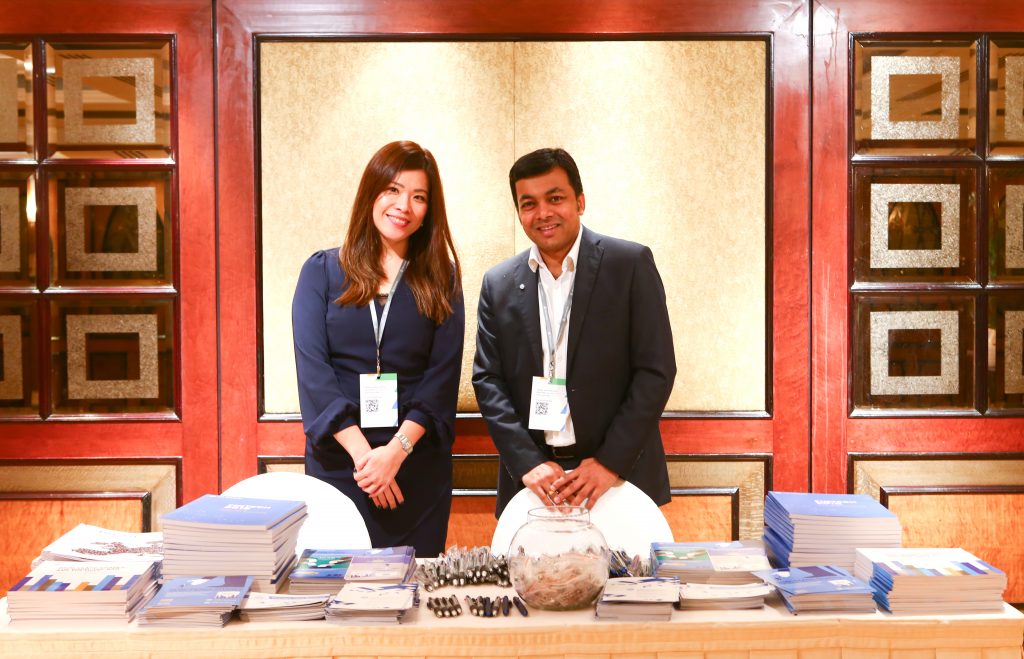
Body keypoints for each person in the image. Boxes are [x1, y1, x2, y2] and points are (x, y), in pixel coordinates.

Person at [473, 147, 675, 516]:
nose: (543, 213)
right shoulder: (498, 283)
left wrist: (609, 462)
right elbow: (488, 379)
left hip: (618, 478)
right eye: (529, 203)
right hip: (537, 483)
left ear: (580, 202)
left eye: (555, 198)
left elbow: (656, 371)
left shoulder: (628, 265)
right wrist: (527, 461)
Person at [292, 141, 463, 556]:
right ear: (371, 193)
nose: (403, 206)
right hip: (341, 466)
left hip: (415, 469)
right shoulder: (322, 271)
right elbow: (314, 372)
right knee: (337, 587)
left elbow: (441, 378)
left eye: (419, 197)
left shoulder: (441, 278)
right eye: (393, 190)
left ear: (429, 210)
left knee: (413, 587)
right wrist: (367, 459)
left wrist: (394, 455)